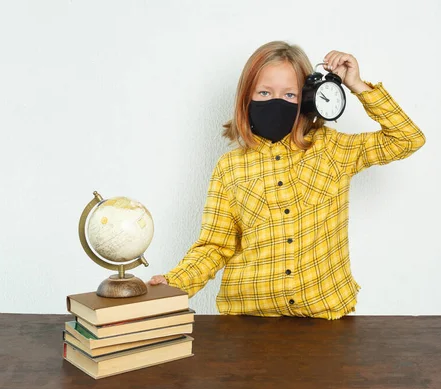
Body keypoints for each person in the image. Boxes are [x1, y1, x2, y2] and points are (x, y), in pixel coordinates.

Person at [146, 41, 426, 320]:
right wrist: (174, 283)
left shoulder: (334, 150)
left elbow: (407, 139)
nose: (276, 102)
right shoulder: (230, 168)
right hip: (249, 321)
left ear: (307, 99)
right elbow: (215, 246)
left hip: (324, 319)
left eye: (289, 94)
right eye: (264, 92)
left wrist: (357, 85)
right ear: (247, 97)